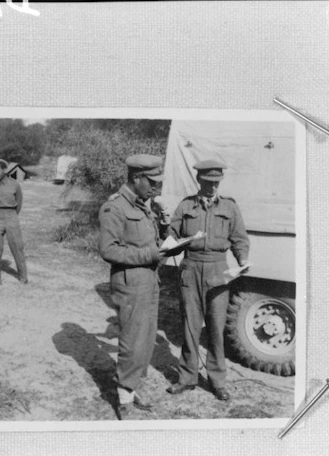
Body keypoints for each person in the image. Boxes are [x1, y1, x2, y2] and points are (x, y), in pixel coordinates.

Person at [166, 159, 250, 401]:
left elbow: (239, 239)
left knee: (215, 328)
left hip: (218, 270)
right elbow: (171, 235)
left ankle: (217, 381)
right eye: (208, 182)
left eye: (217, 182)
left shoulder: (230, 207)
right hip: (191, 268)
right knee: (190, 326)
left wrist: (242, 259)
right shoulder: (185, 206)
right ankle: (186, 378)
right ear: (199, 180)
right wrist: (170, 241)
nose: (213, 187)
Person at [98, 154, 170, 418]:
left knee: (146, 338)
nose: (155, 187)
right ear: (136, 178)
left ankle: (131, 387)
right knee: (131, 340)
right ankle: (123, 397)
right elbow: (108, 250)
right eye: (151, 181)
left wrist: (164, 225)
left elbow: (152, 240)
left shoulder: (143, 205)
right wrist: (148, 255)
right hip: (130, 282)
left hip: (150, 280)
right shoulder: (114, 207)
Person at [0, 158, 27, 285]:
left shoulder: (15, 185)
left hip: (11, 217)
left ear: (4, 170)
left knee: (17, 247)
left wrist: (11, 215)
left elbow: (19, 203)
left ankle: (23, 276)